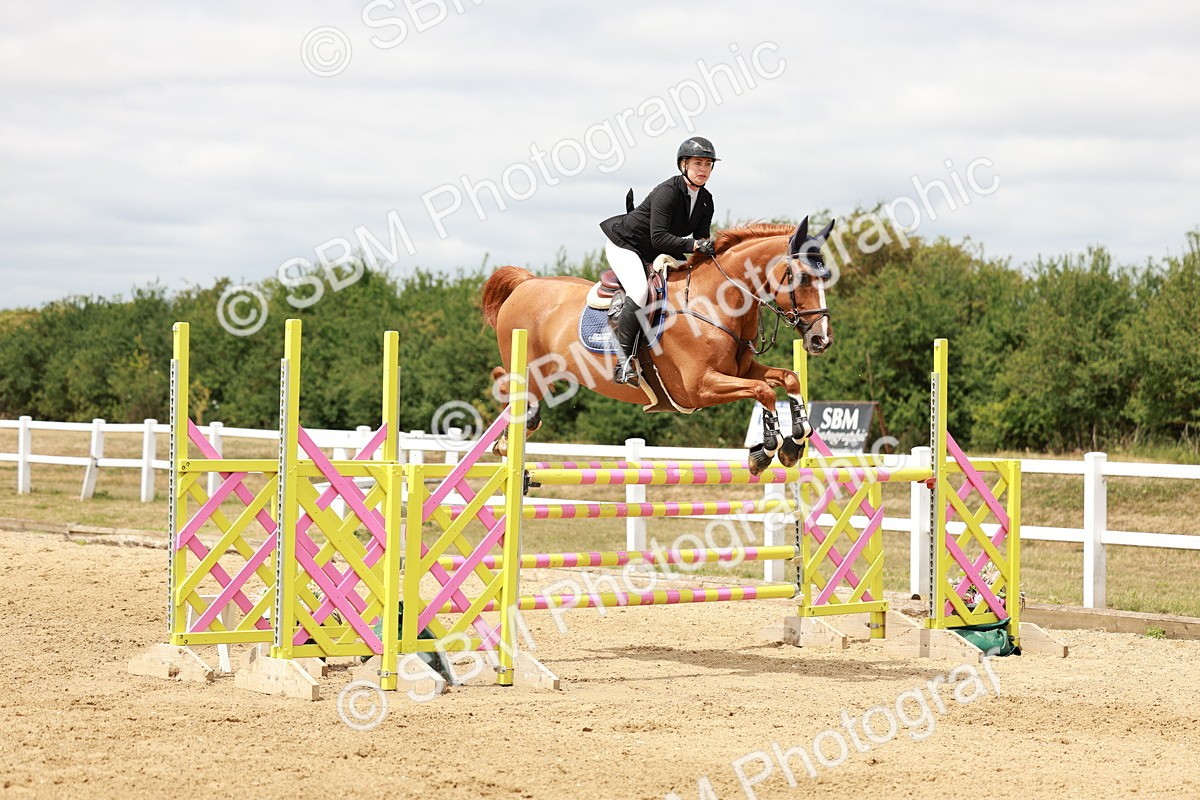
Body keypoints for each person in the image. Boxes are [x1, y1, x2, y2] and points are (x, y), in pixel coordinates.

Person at [599, 136, 719, 385]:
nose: (703, 169)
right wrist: (695, 245)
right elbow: (660, 237)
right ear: (683, 165)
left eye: (708, 164)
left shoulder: (706, 200)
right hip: (627, 245)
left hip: (656, 249)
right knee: (640, 291)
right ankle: (623, 362)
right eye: (698, 163)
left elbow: (701, 240)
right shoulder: (667, 192)